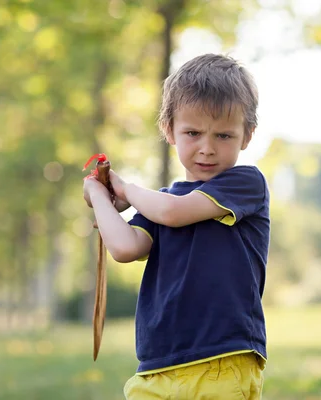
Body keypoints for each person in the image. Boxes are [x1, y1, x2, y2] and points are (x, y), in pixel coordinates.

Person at [83, 53, 270, 400]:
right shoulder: (160, 202)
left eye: (224, 136)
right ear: (169, 130)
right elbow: (124, 248)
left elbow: (172, 212)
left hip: (221, 361)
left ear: (247, 135)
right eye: (193, 132)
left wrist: (125, 190)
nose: (207, 148)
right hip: (157, 367)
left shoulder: (245, 184)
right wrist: (98, 194)